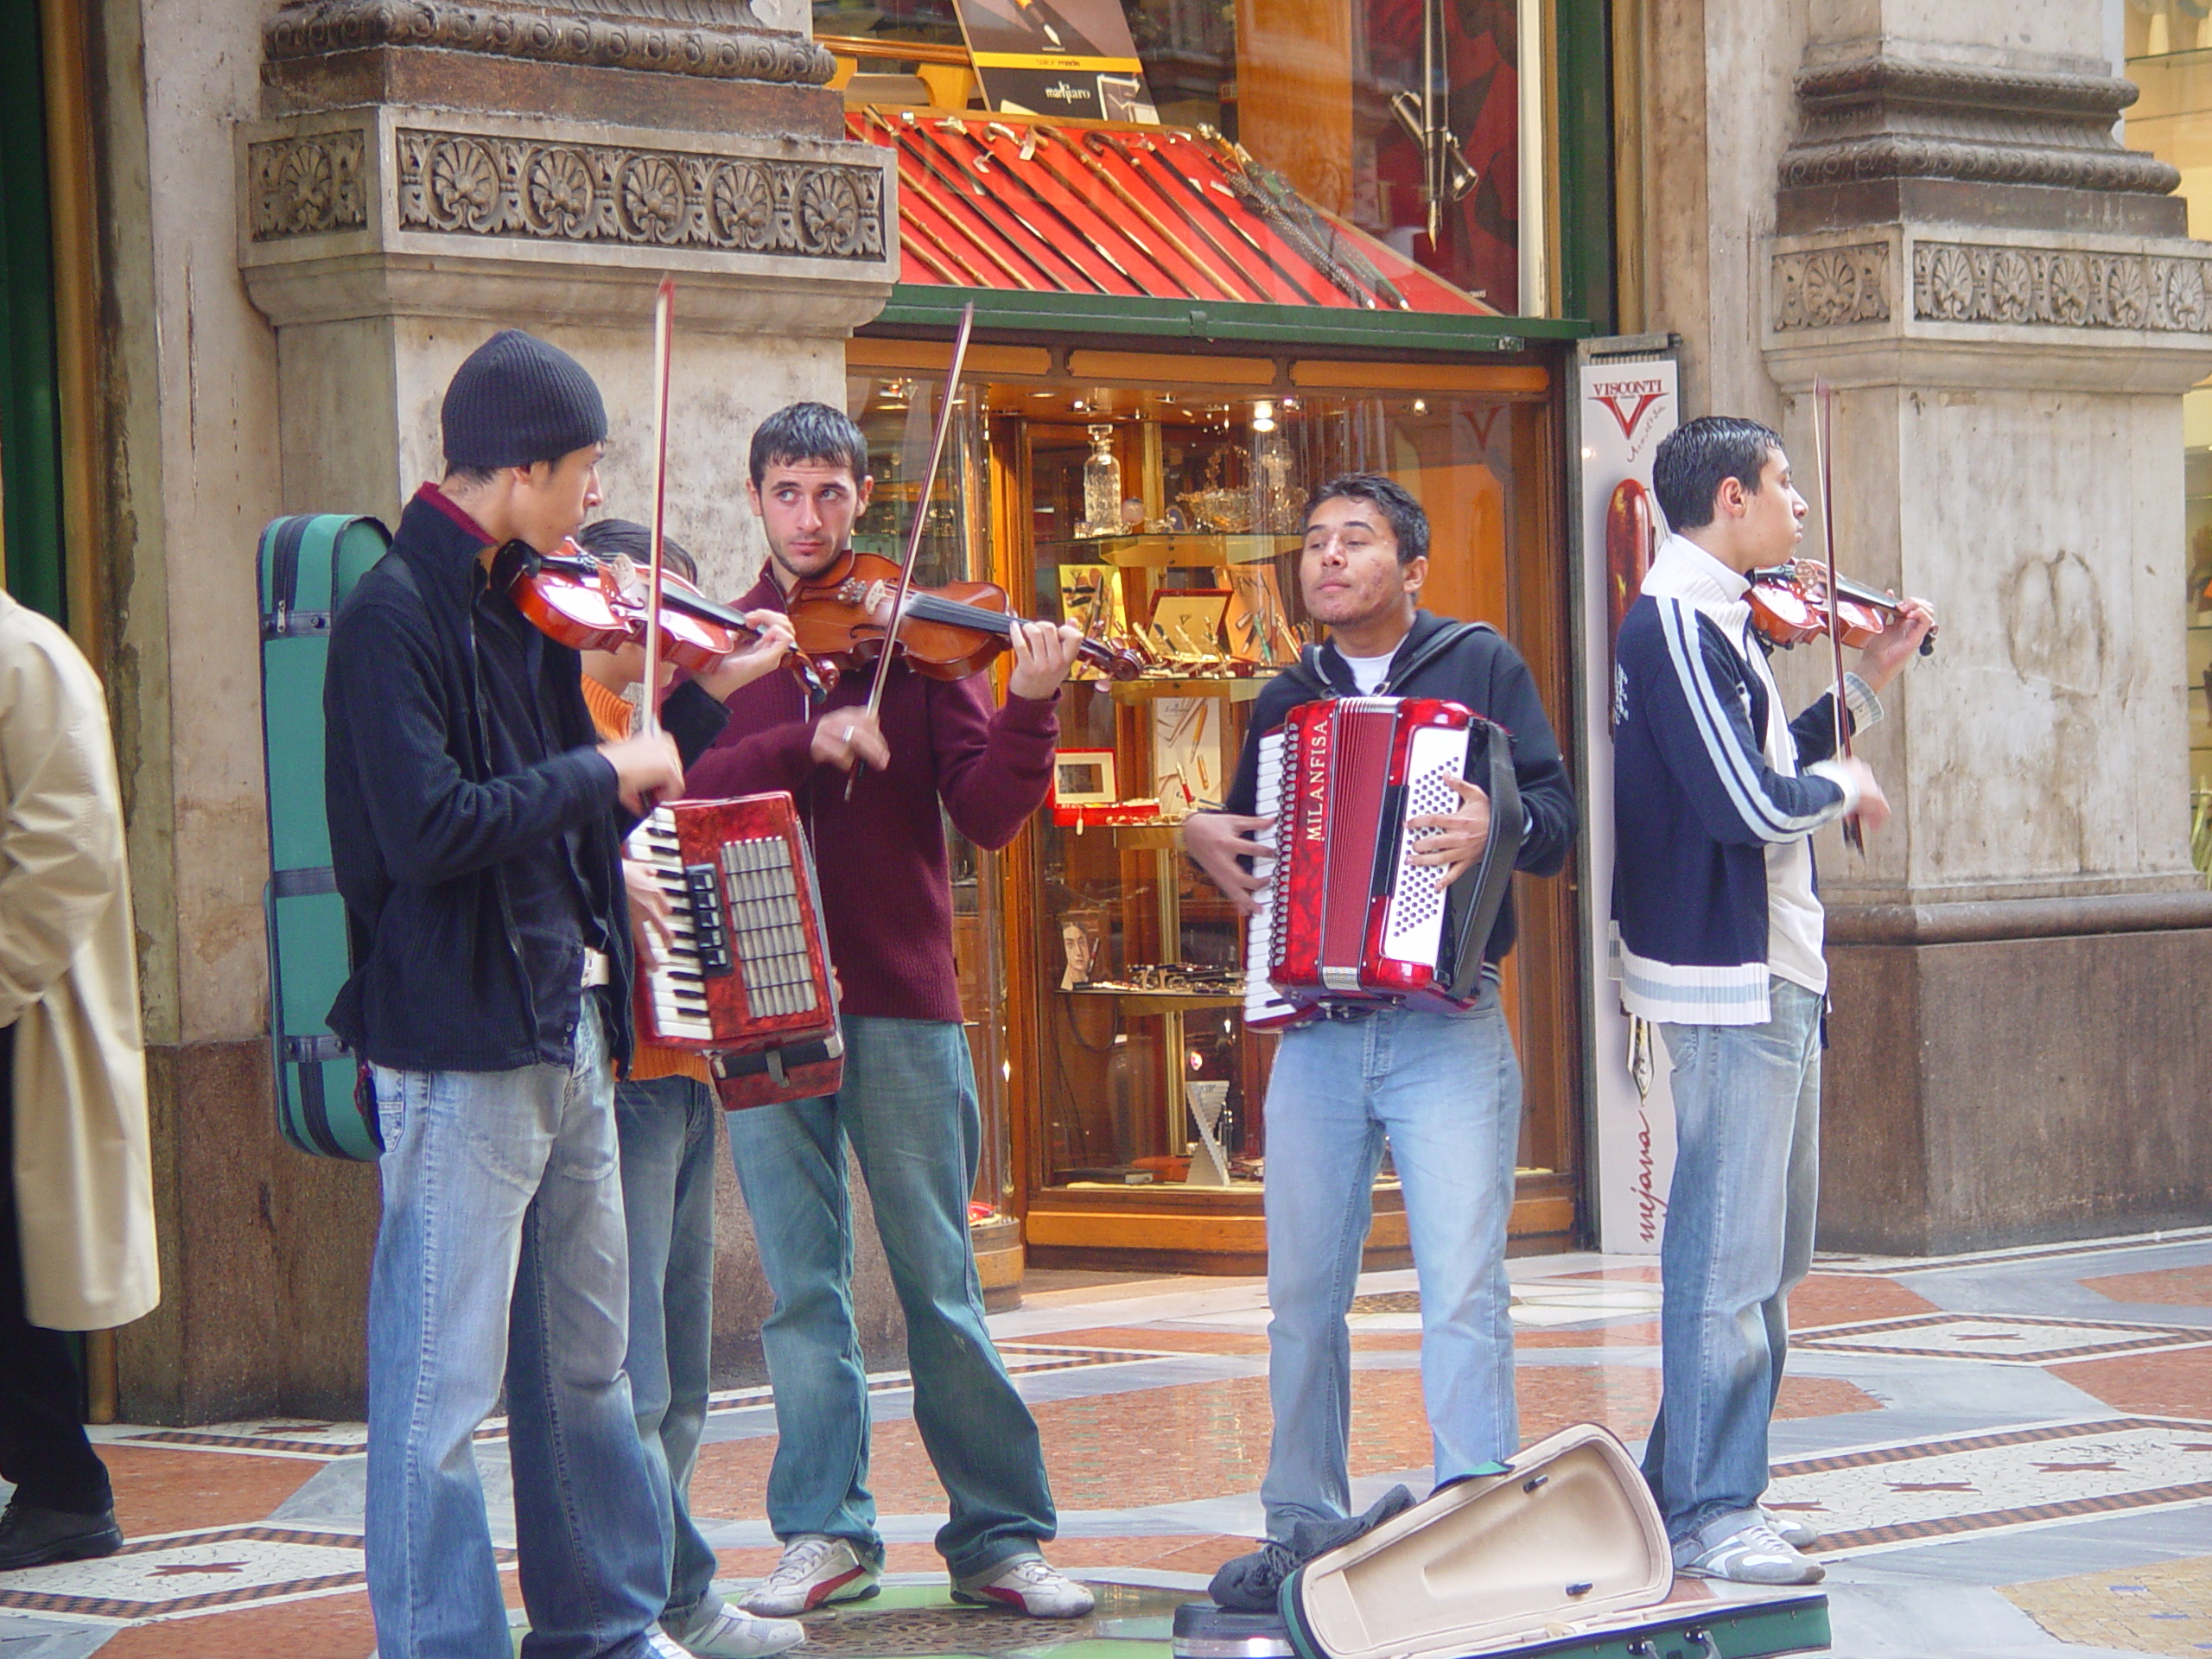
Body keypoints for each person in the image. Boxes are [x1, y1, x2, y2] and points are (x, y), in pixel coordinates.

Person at [324, 329, 795, 1659]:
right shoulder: (392, 617)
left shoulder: (524, 603)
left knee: (589, 1363)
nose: (597, 499)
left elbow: (588, 804)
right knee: (439, 1386)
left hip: (567, 1015)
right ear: (520, 467)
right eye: (582, 470)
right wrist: (605, 771)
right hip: (455, 1039)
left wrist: (696, 698)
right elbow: (430, 831)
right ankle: (442, 1641)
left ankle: (603, 1625)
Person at [683, 402, 1095, 1619]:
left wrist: (1026, 703)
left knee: (938, 1280)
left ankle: (1001, 1535)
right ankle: (826, 1531)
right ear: (755, 499)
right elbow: (688, 791)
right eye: (787, 493)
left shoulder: (915, 645)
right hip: (760, 996)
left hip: (901, 998)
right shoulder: (722, 652)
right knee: (802, 1289)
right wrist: (808, 740)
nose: (810, 519)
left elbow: (988, 816)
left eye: (830, 494)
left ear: (863, 500)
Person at [1183, 473, 1578, 1542]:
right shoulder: (1288, 694)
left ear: (1411, 569)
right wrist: (1198, 837)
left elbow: (1555, 814)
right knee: (1302, 1300)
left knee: (1459, 1288)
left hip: (1444, 1025)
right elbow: (1243, 835)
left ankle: (1474, 1515)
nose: (1327, 558)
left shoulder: (1480, 662)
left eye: (1354, 540)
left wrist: (1495, 822)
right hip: (1315, 1032)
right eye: (1314, 541)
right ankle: (1299, 1522)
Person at [1610, 416, 1933, 1585]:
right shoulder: (1680, 623)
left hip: (1774, 966)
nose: (1803, 510)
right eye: (1787, 487)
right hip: (1734, 976)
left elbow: (1757, 761)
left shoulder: (1720, 625)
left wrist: (1864, 689)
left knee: (1760, 1255)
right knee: (1727, 1257)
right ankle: (1709, 1508)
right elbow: (1747, 805)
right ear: (1733, 498)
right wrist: (1841, 779)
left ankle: (1684, 1490)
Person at [571, 518, 805, 1659]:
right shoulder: (574, 717)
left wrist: (726, 676)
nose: (661, 639)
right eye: (641, 611)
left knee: (685, 1370)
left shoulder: (651, 720)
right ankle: (654, 1600)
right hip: (616, 1074)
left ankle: (672, 1590)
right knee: (639, 1377)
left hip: (683, 1065)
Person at [0, 587, 158, 1573]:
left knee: (11, 1275)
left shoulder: (28, 659)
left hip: (19, 1026)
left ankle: (64, 1485)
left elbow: (67, 847)